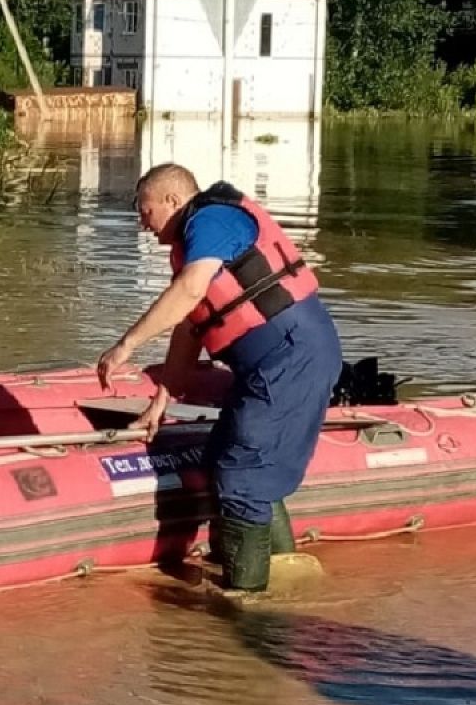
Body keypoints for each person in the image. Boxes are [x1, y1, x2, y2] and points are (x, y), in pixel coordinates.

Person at [97, 163, 342, 593]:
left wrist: (127, 344)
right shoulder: (193, 246)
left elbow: (191, 291)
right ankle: (284, 572)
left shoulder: (211, 219)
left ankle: (248, 605)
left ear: (173, 201)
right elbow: (190, 327)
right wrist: (162, 399)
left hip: (292, 356)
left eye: (145, 209)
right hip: (268, 365)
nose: (142, 222)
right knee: (226, 460)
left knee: (243, 473)